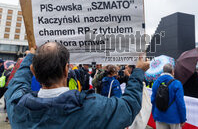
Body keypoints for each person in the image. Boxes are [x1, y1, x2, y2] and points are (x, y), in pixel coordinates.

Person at [5, 42, 149, 128]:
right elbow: (129, 107)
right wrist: (138, 72)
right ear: (66, 69)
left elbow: (16, 83)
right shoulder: (92, 107)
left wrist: (29, 58)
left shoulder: (17, 106)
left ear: (33, 71)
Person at [151, 63, 186, 129]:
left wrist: (154, 115)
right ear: (172, 71)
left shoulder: (156, 82)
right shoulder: (177, 83)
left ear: (163, 71)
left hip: (159, 116)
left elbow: (153, 101)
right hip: (174, 118)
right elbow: (180, 103)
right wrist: (183, 119)